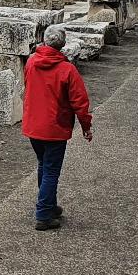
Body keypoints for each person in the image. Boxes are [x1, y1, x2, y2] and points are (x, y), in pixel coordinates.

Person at [21, 24, 93, 231]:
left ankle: (49, 205)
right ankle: (43, 214)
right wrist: (86, 126)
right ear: (62, 45)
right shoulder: (67, 69)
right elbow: (80, 102)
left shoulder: (32, 62)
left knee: (44, 165)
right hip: (55, 126)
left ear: (44, 41)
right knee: (51, 170)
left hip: (34, 124)